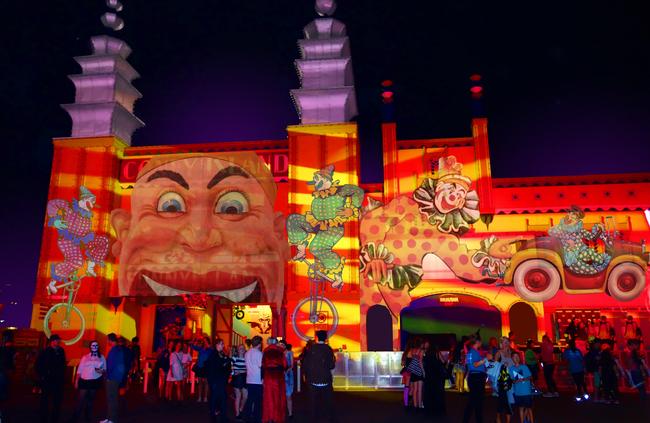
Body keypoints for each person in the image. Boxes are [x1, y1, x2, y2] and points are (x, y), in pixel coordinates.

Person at [302, 330, 336, 423]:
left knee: (313, 405)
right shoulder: (328, 349)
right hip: (326, 380)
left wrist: (306, 375)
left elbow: (306, 364)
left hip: (313, 381)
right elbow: (331, 365)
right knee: (328, 404)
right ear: (325, 338)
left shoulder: (311, 349)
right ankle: (328, 419)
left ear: (316, 338)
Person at [70, 340, 106, 422]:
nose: (94, 347)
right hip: (84, 380)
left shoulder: (102, 357)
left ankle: (88, 417)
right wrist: (76, 381)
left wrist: (99, 371)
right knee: (80, 399)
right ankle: (75, 417)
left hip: (94, 381)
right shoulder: (85, 357)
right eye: (93, 346)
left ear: (98, 347)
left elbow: (104, 370)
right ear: (90, 347)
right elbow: (80, 370)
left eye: (96, 345)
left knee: (90, 400)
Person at [37, 334, 66, 423]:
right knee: (45, 399)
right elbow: (39, 364)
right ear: (52, 341)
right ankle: (44, 417)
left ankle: (55, 418)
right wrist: (43, 376)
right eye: (57, 340)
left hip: (58, 380)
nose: (58, 342)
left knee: (57, 400)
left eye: (58, 340)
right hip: (47, 379)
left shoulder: (61, 351)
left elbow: (63, 364)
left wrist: (62, 376)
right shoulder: (45, 351)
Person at [101, 333, 128, 423]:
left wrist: (106, 374)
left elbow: (111, 365)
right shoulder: (117, 349)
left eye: (107, 340)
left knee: (112, 399)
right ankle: (109, 418)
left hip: (112, 378)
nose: (107, 341)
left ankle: (112, 419)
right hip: (115, 377)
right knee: (111, 398)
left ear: (110, 340)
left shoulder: (115, 350)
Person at [462, 338, 490, 423]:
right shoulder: (473, 352)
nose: (481, 343)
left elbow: (471, 366)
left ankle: (470, 420)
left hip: (475, 377)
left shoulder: (472, 352)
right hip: (477, 378)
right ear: (477, 342)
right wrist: (486, 359)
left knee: (475, 400)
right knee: (476, 401)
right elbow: (475, 365)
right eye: (480, 341)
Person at [262, 337, 287, 423]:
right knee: (277, 397)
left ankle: (269, 417)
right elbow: (285, 365)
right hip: (278, 377)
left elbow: (263, 365)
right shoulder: (280, 351)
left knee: (268, 397)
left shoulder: (265, 351)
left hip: (268, 377)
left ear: (269, 343)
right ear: (276, 343)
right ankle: (277, 417)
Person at [205, 338, 231, 421]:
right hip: (216, 381)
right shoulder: (213, 354)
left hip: (221, 381)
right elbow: (213, 368)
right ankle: (213, 416)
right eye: (221, 344)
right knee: (214, 398)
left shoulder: (221, 354)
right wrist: (225, 362)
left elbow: (226, 366)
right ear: (217, 345)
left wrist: (226, 361)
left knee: (222, 398)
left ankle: (223, 417)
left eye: (223, 344)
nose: (223, 345)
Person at [423, 343, 447, 417]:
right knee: (437, 393)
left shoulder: (426, 353)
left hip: (428, 376)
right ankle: (438, 410)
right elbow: (443, 362)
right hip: (437, 376)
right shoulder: (437, 353)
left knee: (428, 393)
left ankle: (429, 410)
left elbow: (424, 364)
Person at [509, 353, 533, 423]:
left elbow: (530, 377)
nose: (516, 358)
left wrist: (524, 379)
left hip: (526, 391)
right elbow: (511, 380)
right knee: (521, 408)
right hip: (518, 392)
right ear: (512, 359)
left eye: (517, 356)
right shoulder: (511, 368)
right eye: (514, 356)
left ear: (519, 358)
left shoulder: (524, 367)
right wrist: (515, 381)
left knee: (529, 408)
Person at [244, 336, 264, 423]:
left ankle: (247, 417)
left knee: (250, 399)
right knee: (258, 401)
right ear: (259, 344)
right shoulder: (259, 354)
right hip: (257, 380)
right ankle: (257, 419)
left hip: (249, 379)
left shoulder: (247, 353)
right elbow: (261, 366)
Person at [0, 333, 16, 422]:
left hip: (4, 371)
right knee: (6, 392)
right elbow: (13, 360)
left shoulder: (4, 349)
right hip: (6, 371)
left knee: (4, 392)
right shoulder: (11, 349)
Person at [191, 336, 212, 403]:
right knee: (200, 383)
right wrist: (195, 339)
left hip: (207, 367)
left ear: (208, 341)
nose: (204, 342)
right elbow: (192, 346)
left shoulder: (210, 349)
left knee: (206, 382)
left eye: (206, 341)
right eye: (203, 341)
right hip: (200, 366)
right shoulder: (201, 348)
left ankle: (205, 397)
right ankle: (200, 397)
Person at [406, 338, 425, 410]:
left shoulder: (411, 350)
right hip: (419, 371)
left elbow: (409, 360)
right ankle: (419, 406)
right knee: (419, 389)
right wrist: (423, 372)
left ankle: (415, 405)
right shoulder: (421, 350)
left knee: (414, 389)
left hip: (413, 372)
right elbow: (420, 362)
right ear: (421, 344)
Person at [231, 344, 248, 420]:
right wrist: (234, 373)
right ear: (237, 350)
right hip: (237, 378)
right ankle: (237, 413)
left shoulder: (246, 358)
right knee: (238, 396)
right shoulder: (234, 358)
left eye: (243, 348)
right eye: (240, 348)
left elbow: (248, 368)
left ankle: (241, 408)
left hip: (244, 377)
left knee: (246, 396)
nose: (242, 349)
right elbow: (230, 368)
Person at [280, 341, 295, 419]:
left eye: (282, 345)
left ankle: (290, 413)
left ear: (285, 345)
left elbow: (292, 365)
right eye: (280, 345)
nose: (281, 346)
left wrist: (286, 371)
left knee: (288, 396)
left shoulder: (289, 353)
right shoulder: (278, 353)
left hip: (288, 375)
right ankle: (281, 412)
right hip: (280, 376)